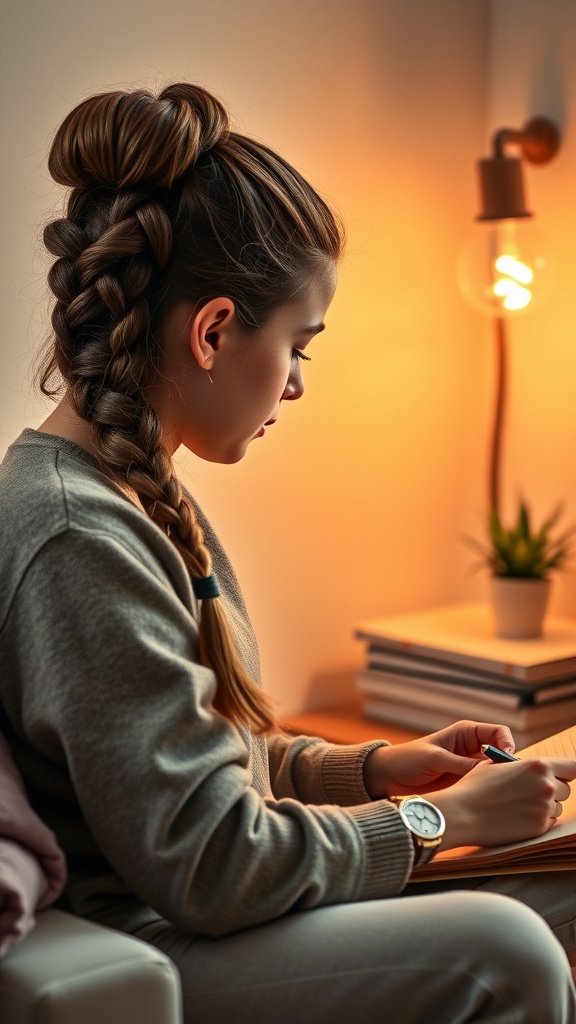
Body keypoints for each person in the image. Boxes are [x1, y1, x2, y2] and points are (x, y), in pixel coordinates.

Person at [0, 81, 575, 1024]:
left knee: (564, 890)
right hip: (156, 934)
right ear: (216, 330)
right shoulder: (76, 536)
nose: (298, 385)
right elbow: (209, 862)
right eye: (300, 345)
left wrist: (380, 770)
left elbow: (208, 765)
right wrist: (442, 820)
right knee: (505, 946)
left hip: (203, 906)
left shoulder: (136, 493)